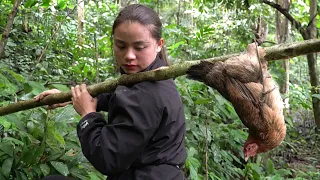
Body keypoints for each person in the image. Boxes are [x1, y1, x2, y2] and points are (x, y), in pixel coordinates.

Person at [35, 4, 187, 180]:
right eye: (121, 46)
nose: (129, 55)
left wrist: (87, 115)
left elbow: (108, 158)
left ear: (159, 45)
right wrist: (71, 97)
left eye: (139, 47)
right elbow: (118, 96)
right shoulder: (149, 76)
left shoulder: (147, 94)